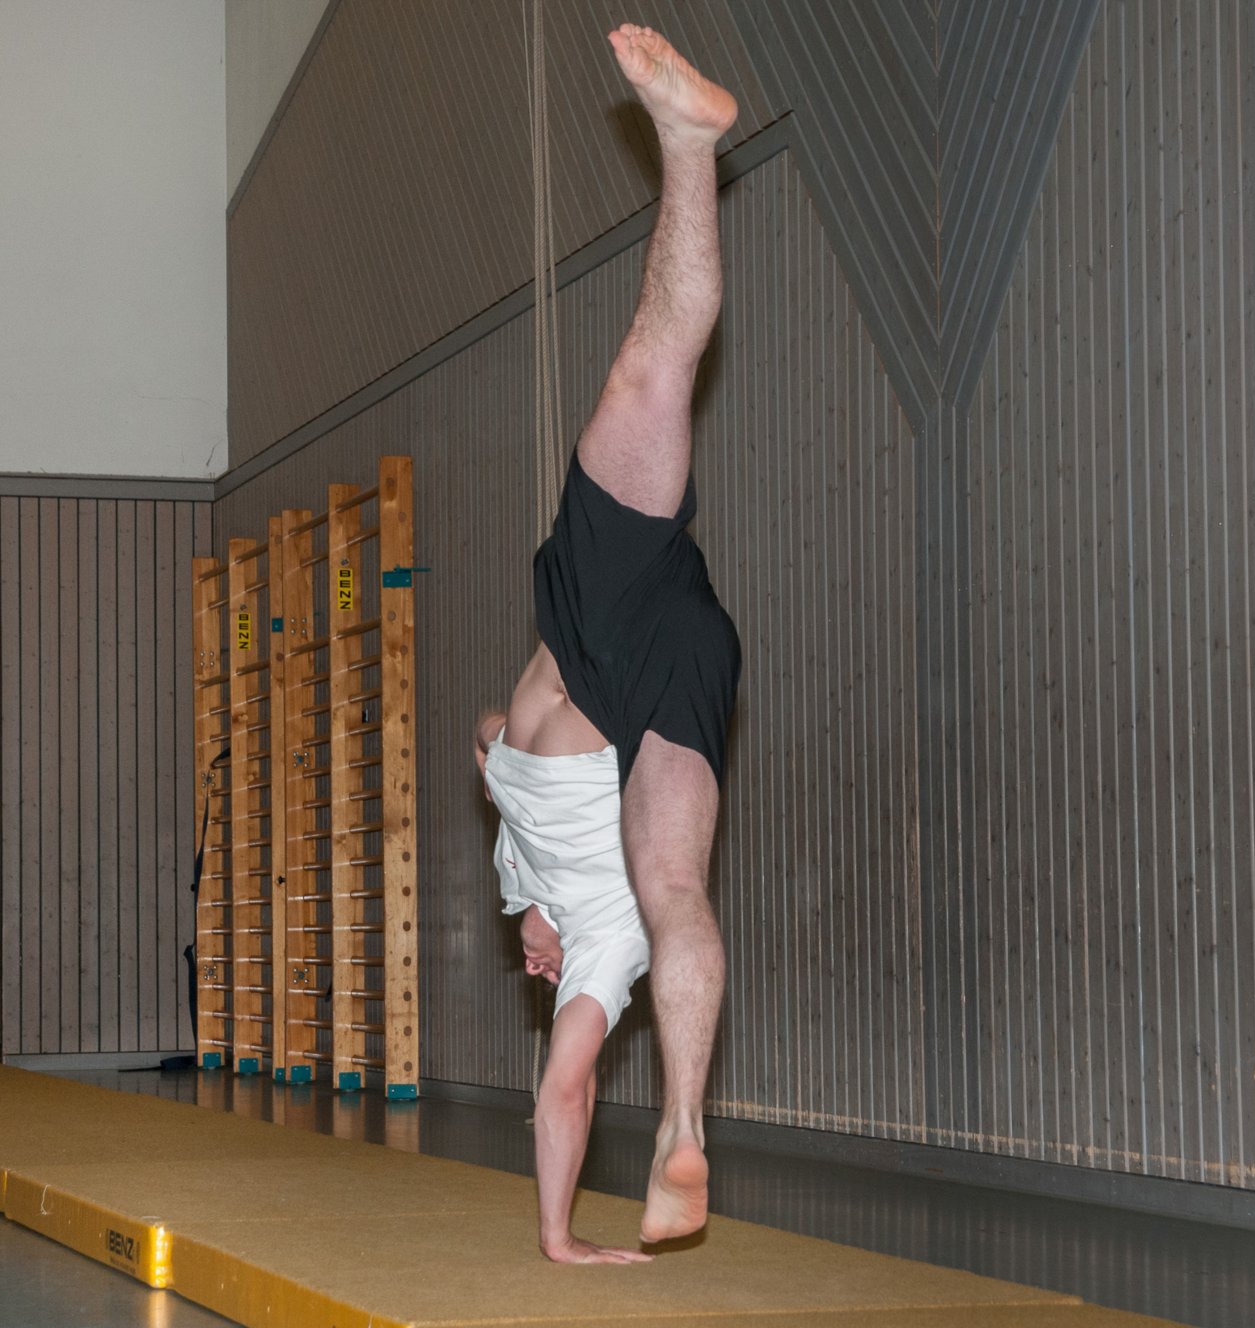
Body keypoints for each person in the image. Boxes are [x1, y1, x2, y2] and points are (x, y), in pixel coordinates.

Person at [478, 23, 741, 1263]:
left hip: (647, 661)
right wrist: (555, 1241)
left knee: (680, 884)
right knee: (649, 377)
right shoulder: (601, 945)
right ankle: (686, 149)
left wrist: (522, 886)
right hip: (610, 649)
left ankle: (688, 1120)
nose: (529, 965)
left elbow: (485, 732)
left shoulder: (576, 922)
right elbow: (562, 1086)